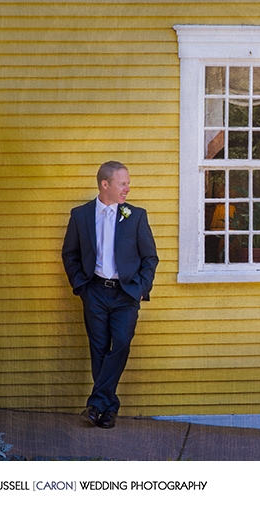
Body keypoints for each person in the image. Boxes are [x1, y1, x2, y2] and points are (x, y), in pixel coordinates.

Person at [61, 161, 159, 429]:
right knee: (99, 349)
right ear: (105, 184)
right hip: (94, 292)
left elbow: (150, 257)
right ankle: (107, 409)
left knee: (122, 343)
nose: (128, 188)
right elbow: (69, 254)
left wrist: (140, 288)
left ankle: (97, 404)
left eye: (128, 182)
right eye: (123, 183)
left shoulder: (135, 215)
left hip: (126, 295)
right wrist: (81, 287)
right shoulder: (80, 215)